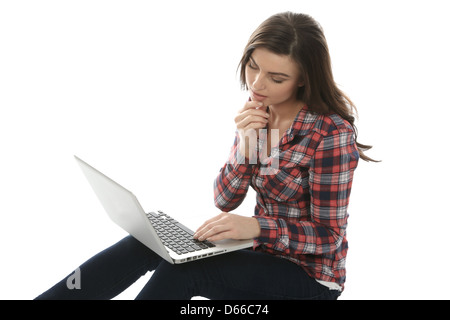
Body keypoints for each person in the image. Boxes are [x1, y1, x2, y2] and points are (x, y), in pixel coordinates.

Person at [35, 11, 375, 300]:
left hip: (309, 276)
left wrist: (256, 226)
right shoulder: (260, 113)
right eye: (253, 66)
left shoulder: (331, 135)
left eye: (277, 77)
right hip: (257, 255)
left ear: (303, 80)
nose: (257, 83)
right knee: (144, 242)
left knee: (181, 272)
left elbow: (328, 236)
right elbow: (225, 200)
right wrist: (245, 146)